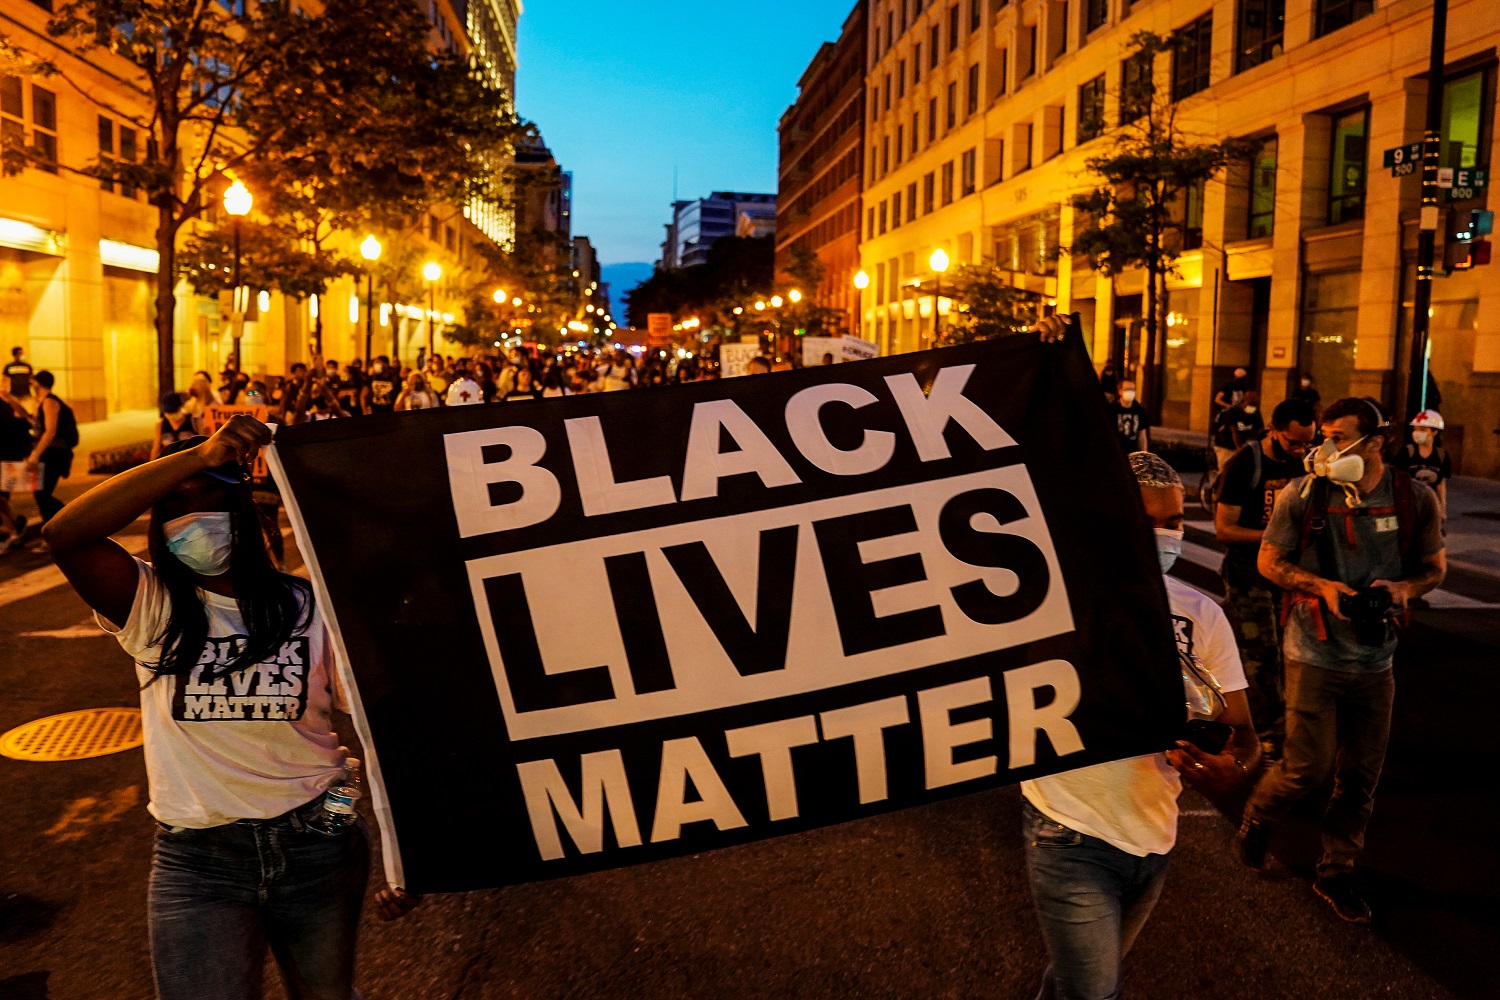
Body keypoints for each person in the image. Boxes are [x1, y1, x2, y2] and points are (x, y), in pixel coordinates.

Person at [39, 418, 397, 998]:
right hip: (198, 860)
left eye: (211, 493)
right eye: (176, 502)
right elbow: (66, 535)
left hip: (320, 835)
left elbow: (382, 731)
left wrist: (401, 855)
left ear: (242, 510)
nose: (196, 513)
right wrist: (194, 456)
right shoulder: (151, 605)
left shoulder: (310, 607)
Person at [1021, 451, 1258, 1000]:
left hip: (1154, 835)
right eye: (1144, 520)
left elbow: (1245, 732)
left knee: (1072, 980)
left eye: (1174, 521)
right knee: (1095, 990)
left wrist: (1232, 769)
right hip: (1068, 828)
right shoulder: (1052, 601)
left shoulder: (1203, 615)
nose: (1164, 534)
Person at [1238, 397, 1446, 924]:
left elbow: (1434, 568)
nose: (1324, 448)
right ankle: (1258, 818)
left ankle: (1336, 872)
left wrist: (1403, 588)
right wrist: (1322, 587)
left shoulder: (1412, 498)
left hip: (1376, 662)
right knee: (1306, 769)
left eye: (1338, 437)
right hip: (1312, 652)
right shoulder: (1304, 494)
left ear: (1375, 442)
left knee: (1360, 777)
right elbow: (1269, 558)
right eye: (1322, 436)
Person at [1213, 398, 1318, 757]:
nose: (1301, 450)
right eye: (1294, 442)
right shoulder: (1245, 464)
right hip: (1249, 576)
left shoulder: (1307, 461)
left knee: (1295, 655)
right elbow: (1224, 528)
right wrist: (1276, 537)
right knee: (1261, 658)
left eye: (1308, 442)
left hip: (1289, 575)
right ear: (1273, 430)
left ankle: (1291, 728)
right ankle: (1266, 735)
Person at [26, 370, 79, 532]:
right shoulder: (43, 402)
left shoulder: (50, 402)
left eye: (33, 383)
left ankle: (70, 521)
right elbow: (35, 424)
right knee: (40, 493)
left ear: (39, 384)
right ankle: (57, 527)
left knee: (42, 493)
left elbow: (50, 432)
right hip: (49, 453)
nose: (31, 386)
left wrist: (35, 456)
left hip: (53, 454)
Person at [1393, 409, 1450, 517]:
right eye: (1415, 429)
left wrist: (1442, 509)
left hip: (1430, 507)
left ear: (1435, 432)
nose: (1417, 433)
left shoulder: (1441, 456)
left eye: (1423, 430)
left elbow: (1440, 483)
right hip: (1408, 506)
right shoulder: (1406, 453)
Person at [0, 386, 32, 552]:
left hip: (6, 459)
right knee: (2, 499)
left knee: (1, 499)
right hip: (8, 458)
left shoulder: (4, 406)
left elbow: (23, 418)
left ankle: (14, 532)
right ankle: (16, 524)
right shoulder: (6, 406)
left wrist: (9, 398)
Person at [1212, 390, 1264, 469]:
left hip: (1241, 444)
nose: (1252, 407)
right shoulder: (1233, 412)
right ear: (1244, 402)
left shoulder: (1256, 414)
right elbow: (1234, 432)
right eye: (1250, 404)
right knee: (1226, 469)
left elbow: (1260, 431)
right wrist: (1239, 448)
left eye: (1255, 405)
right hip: (1225, 444)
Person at [151, 393, 198, 461]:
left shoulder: (193, 421)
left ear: (181, 407)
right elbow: (156, 447)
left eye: (174, 411)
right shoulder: (161, 424)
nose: (171, 415)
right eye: (168, 412)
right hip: (168, 462)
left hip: (189, 461)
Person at [1106, 380, 1148, 453]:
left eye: (1132, 389)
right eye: (1127, 389)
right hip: (1117, 453)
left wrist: (1144, 453)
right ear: (1120, 391)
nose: (1130, 392)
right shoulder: (1112, 410)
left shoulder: (1139, 410)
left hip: (1133, 452)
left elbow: (1142, 435)